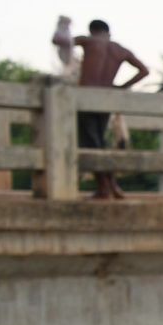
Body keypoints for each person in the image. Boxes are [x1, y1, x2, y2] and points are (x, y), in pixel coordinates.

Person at [58, 16, 149, 199]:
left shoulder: (89, 41)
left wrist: (62, 25)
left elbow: (60, 41)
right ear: (108, 32)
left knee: (92, 143)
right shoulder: (120, 49)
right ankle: (111, 186)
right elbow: (144, 71)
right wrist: (121, 87)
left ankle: (105, 187)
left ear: (92, 31)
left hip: (86, 97)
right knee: (99, 141)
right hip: (106, 99)